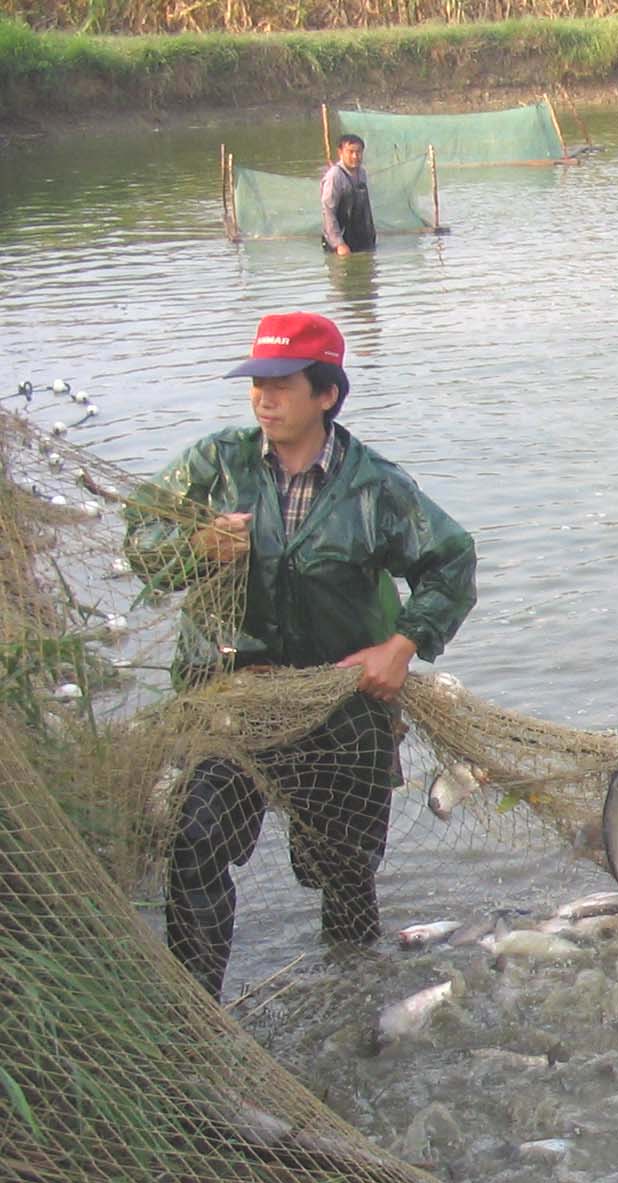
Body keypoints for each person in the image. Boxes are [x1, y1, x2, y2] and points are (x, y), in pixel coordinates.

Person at [124, 311, 477, 999]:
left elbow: (451, 563)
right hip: (231, 702)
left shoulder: (376, 486)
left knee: (342, 874)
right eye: (257, 383)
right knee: (196, 840)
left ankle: (349, 1011)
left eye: (282, 385)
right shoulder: (214, 466)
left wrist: (399, 647)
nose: (264, 399)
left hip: (342, 707)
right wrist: (191, 547)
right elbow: (139, 540)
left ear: (327, 395)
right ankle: (197, 1015)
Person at [320, 133, 376, 257]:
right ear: (340, 152)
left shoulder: (362, 173)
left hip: (361, 240)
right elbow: (328, 212)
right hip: (341, 244)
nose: (355, 156)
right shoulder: (334, 176)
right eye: (350, 152)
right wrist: (339, 244)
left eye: (359, 152)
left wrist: (371, 236)